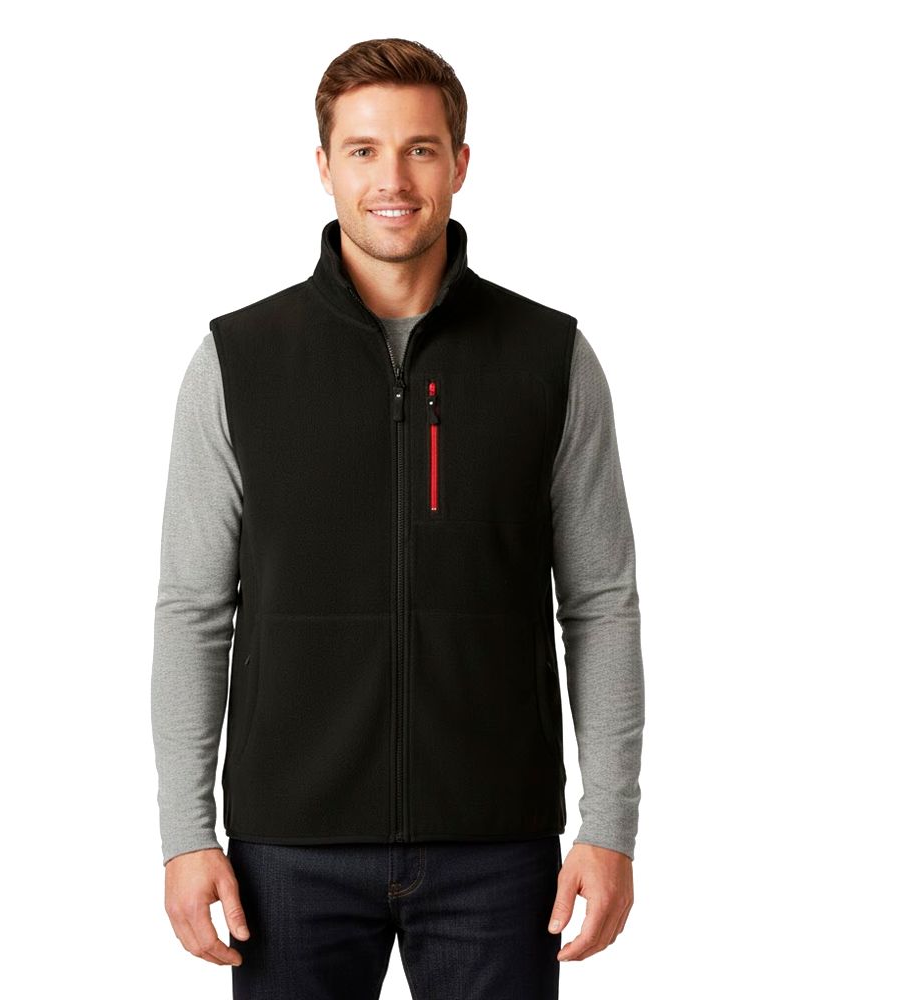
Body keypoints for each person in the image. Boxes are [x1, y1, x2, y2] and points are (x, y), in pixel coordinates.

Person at [151, 37, 645, 999]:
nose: (393, 179)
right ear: (324, 165)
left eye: (420, 149)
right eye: (364, 150)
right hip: (286, 853)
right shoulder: (237, 361)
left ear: (460, 163)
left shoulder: (550, 359)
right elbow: (193, 609)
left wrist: (610, 827)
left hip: (498, 852)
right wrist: (185, 834)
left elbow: (601, 603)